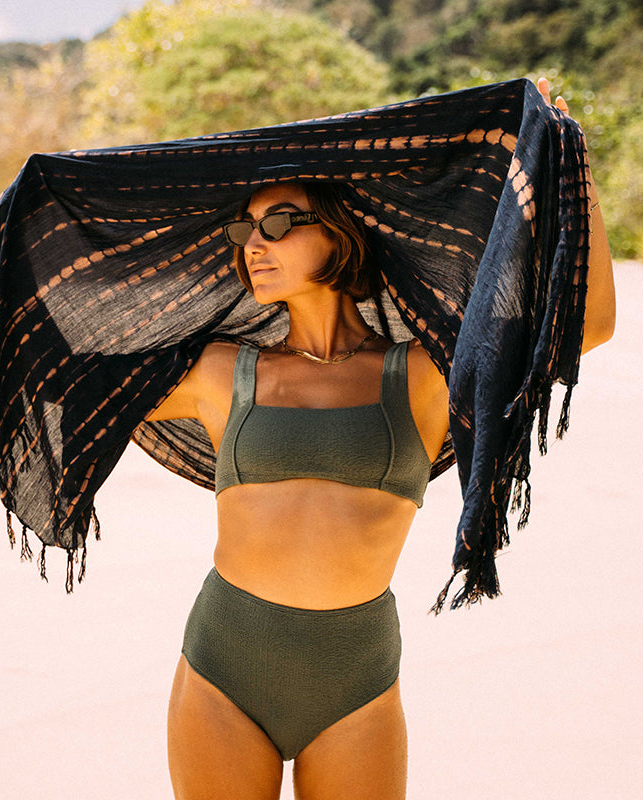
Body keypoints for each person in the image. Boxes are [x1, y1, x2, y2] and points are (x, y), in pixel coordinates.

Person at [143, 78, 615, 800]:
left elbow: (588, 323)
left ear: (339, 230)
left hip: (355, 676)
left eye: (280, 225)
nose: (255, 246)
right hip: (223, 664)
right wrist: (18, 244)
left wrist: (568, 157)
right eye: (246, 231)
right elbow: (68, 376)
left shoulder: (423, 376)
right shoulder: (219, 371)